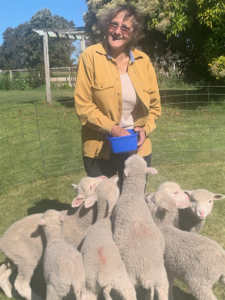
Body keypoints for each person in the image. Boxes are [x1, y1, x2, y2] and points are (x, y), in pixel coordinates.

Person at [74, 4, 161, 190]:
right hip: (100, 151)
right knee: (102, 211)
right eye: (113, 25)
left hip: (137, 150)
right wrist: (112, 128)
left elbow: (155, 108)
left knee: (133, 207)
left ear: (134, 33)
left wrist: (145, 129)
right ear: (106, 27)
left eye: (124, 27)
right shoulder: (90, 57)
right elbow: (83, 106)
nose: (117, 31)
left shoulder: (143, 62)